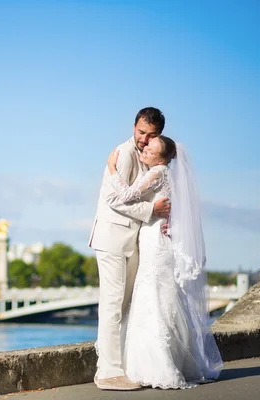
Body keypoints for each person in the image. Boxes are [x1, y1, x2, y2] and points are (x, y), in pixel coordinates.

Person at [105, 135, 223, 389]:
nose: (145, 151)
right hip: (159, 241)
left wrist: (112, 168)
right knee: (163, 297)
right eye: (146, 148)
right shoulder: (168, 174)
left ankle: (155, 364)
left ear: (162, 159)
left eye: (151, 151)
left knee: (152, 298)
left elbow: (126, 194)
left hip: (154, 242)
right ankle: (173, 360)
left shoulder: (156, 173)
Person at [88, 107, 170, 391]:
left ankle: (116, 367)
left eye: (152, 135)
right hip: (112, 238)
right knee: (111, 306)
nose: (145, 140)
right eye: (141, 133)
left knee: (123, 307)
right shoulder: (123, 153)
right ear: (133, 127)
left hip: (131, 239)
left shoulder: (150, 157)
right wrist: (152, 209)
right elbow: (113, 198)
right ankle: (108, 373)